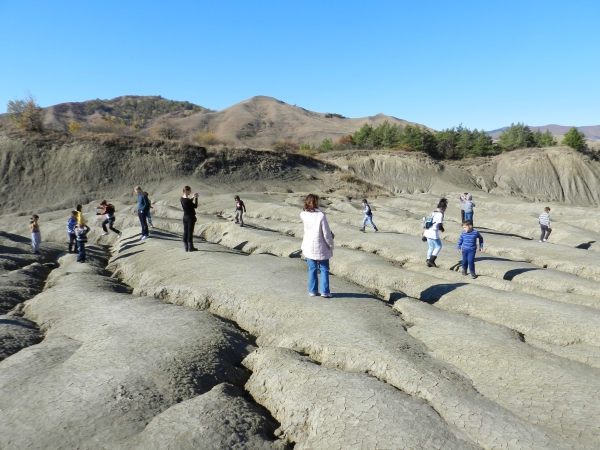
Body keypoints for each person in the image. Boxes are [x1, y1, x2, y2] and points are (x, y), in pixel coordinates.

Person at [301, 194, 334, 298]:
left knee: (312, 269)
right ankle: (325, 292)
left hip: (308, 245)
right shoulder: (321, 216)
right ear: (316, 202)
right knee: (324, 269)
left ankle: (312, 291)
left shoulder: (303, 214)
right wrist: (331, 245)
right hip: (321, 246)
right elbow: (326, 233)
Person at [423, 198, 447, 267]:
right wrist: (442, 229)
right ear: (443, 207)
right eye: (445, 208)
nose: (445, 209)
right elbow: (439, 224)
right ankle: (431, 260)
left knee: (431, 247)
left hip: (427, 231)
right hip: (433, 233)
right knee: (439, 246)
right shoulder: (440, 214)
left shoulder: (433, 212)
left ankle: (428, 260)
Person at [181, 186, 198, 252]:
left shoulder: (181, 199)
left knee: (185, 232)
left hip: (185, 217)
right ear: (186, 191)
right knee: (190, 232)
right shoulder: (188, 200)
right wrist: (196, 198)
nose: (190, 192)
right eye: (189, 191)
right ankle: (190, 247)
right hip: (190, 218)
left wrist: (192, 198)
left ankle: (186, 247)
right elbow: (195, 206)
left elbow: (188, 203)